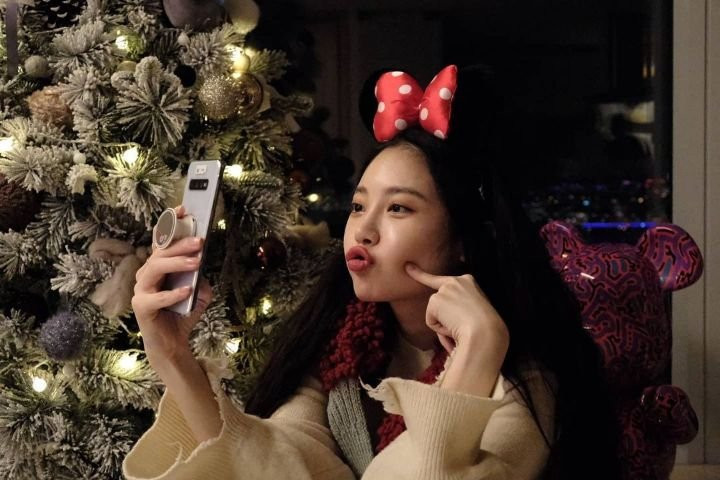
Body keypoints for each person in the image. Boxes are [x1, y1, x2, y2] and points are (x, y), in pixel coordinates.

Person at [123, 65, 620, 479]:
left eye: (399, 208)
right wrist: (173, 356)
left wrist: (477, 353)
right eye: (359, 206)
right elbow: (275, 466)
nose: (363, 230)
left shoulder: (525, 380)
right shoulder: (343, 352)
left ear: (465, 242)